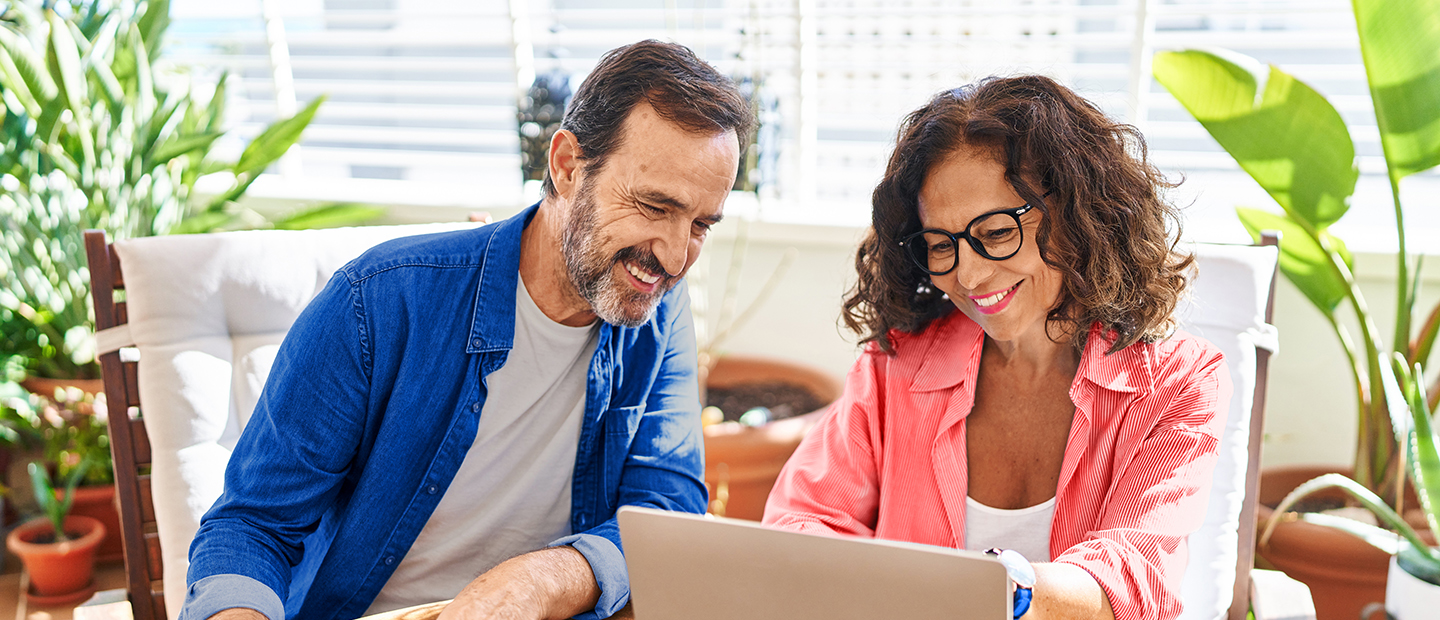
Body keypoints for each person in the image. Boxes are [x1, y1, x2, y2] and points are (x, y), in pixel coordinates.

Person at [181, 40, 751, 620]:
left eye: (702, 224)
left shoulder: (655, 308)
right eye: (656, 207)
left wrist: (547, 579)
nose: (677, 258)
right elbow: (253, 526)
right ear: (567, 167)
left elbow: (666, 510)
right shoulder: (376, 301)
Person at [762, 75, 1231, 620]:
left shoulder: (1177, 382)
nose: (971, 274)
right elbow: (803, 524)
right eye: (941, 244)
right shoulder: (896, 367)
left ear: (1080, 211)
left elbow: (1134, 578)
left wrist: (1002, 590)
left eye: (996, 231)